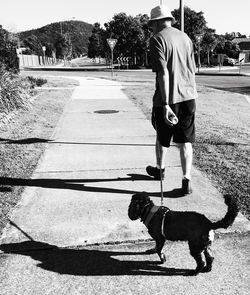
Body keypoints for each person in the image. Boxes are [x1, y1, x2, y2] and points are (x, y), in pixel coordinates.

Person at [146, 4, 198, 195]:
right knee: (185, 140)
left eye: (152, 24)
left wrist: (166, 103)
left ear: (158, 22)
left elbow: (163, 73)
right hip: (189, 96)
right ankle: (187, 180)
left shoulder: (157, 39)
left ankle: (160, 170)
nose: (151, 28)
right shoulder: (186, 38)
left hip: (167, 100)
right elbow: (192, 68)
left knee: (162, 138)